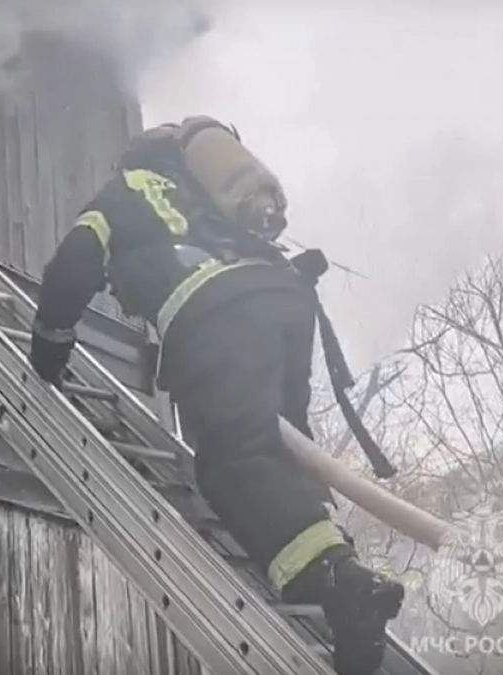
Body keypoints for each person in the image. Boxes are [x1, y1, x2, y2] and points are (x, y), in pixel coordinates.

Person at [27, 116, 404, 675]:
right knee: (287, 448)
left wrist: (49, 349)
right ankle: (345, 590)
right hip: (284, 298)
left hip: (215, 312)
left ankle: (338, 582)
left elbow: (76, 260)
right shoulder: (203, 191)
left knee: (232, 460)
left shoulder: (125, 192)